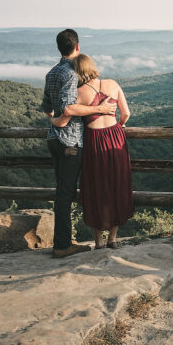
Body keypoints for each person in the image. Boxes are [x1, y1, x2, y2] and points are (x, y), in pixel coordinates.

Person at [42, 29, 116, 257]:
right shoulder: (71, 74)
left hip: (54, 139)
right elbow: (69, 108)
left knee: (62, 192)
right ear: (77, 47)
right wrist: (101, 109)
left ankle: (63, 242)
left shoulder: (51, 73)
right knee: (66, 194)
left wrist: (55, 121)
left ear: (59, 48)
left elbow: (48, 107)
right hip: (70, 143)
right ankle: (63, 246)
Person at [49, 54, 134, 250]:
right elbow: (126, 114)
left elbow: (67, 113)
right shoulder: (113, 83)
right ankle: (113, 238)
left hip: (94, 140)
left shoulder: (79, 93)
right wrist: (117, 127)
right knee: (117, 185)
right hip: (116, 136)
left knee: (96, 188)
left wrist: (52, 119)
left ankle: (98, 242)